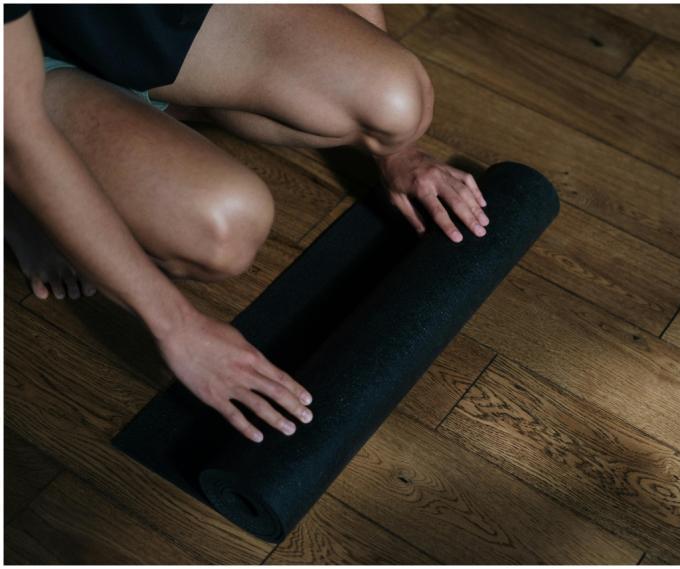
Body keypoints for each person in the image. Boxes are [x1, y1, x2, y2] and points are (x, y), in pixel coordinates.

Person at [4, 4, 489, 443]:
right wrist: (177, 327)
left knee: (395, 103)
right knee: (221, 231)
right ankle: (20, 193)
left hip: (138, 21)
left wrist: (397, 153)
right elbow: (17, 134)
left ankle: (154, 111)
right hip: (22, 73)